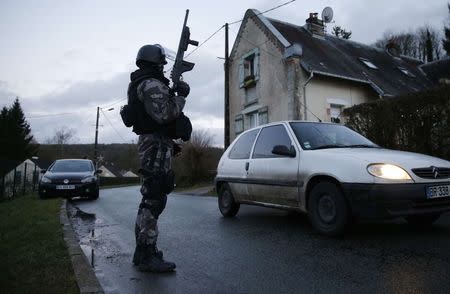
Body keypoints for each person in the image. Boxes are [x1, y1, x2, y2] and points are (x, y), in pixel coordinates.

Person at [122, 44, 190, 273]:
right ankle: (146, 255)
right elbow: (165, 115)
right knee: (154, 199)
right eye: (162, 62)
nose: (164, 65)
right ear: (155, 62)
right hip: (154, 146)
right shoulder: (150, 84)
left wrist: (170, 144)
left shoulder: (146, 81)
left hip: (157, 144)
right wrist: (181, 97)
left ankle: (144, 251)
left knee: (150, 199)